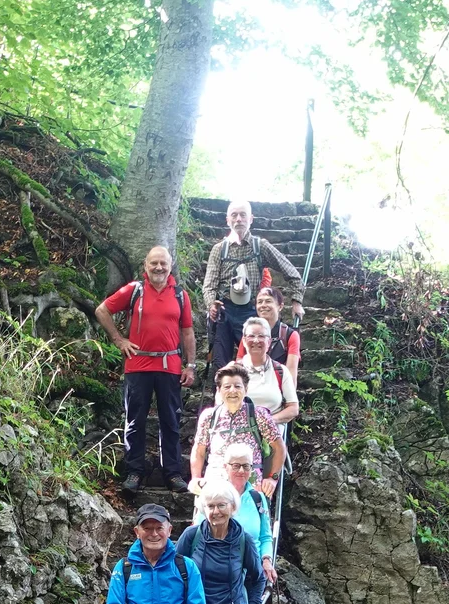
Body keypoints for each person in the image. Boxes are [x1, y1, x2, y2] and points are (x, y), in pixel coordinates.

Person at [96, 245, 197, 495]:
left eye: (163, 263)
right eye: (154, 263)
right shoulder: (134, 290)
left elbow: (187, 332)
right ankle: (134, 472)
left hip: (170, 365)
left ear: (170, 266)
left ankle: (172, 473)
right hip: (138, 364)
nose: (159, 267)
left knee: (171, 421)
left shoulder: (181, 296)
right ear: (145, 266)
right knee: (134, 421)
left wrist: (191, 365)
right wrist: (119, 340)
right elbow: (102, 310)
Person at [202, 201, 304, 373]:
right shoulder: (219, 249)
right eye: (234, 215)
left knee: (253, 364)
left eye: (243, 215)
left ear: (251, 219)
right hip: (224, 312)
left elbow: (291, 271)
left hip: (251, 311)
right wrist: (211, 304)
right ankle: (220, 398)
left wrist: (296, 301)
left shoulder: (260, 246)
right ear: (228, 220)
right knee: (220, 366)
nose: (238, 219)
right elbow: (209, 285)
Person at [190, 364, 287, 499]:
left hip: (250, 483)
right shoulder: (208, 416)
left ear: (246, 389)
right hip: (215, 482)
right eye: (227, 387)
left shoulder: (259, 415)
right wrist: (196, 478)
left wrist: (273, 478)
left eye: (237, 386)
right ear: (218, 390)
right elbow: (198, 450)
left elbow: (279, 447)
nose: (232, 391)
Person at [193, 443, 278, 585]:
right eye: (236, 465)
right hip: (218, 572)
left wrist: (267, 559)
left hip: (252, 572)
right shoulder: (212, 494)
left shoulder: (258, 498)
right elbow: (198, 532)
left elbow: (265, 536)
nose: (241, 470)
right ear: (226, 467)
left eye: (246, 466)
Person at [235, 316, 299, 427]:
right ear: (244, 341)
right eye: (251, 336)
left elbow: (293, 408)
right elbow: (221, 405)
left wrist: (266, 422)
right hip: (238, 433)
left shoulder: (281, 371)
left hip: (272, 437)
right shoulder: (232, 371)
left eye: (261, 336)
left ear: (269, 342)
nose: (256, 340)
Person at [255, 287, 302, 383]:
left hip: (278, 388)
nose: (263, 305)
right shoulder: (249, 335)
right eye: (259, 302)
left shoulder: (290, 335)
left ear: (280, 306)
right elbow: (240, 366)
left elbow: (291, 374)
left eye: (268, 301)